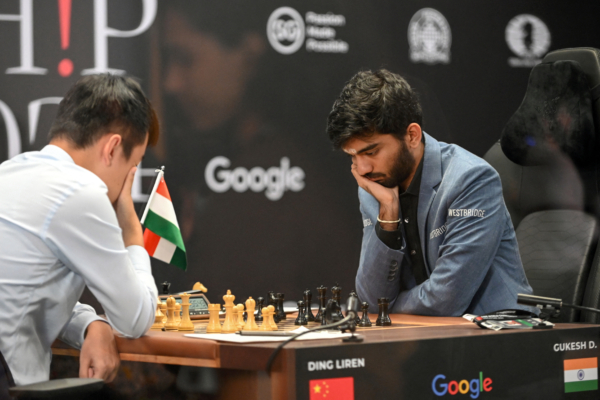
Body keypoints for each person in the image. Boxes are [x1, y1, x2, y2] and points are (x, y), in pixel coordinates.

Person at [326, 69, 536, 316]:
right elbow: (371, 300)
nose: (362, 169)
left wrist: (389, 307)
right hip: (428, 336)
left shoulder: (471, 178)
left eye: (371, 152)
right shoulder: (375, 187)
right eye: (353, 155)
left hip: (495, 333)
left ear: (412, 136)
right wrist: (388, 216)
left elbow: (446, 300)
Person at [0, 74, 159, 385]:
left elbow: (31, 294)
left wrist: (92, 325)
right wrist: (131, 231)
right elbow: (135, 319)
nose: (128, 181)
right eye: (133, 166)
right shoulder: (80, 192)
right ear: (113, 148)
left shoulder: (9, 171)